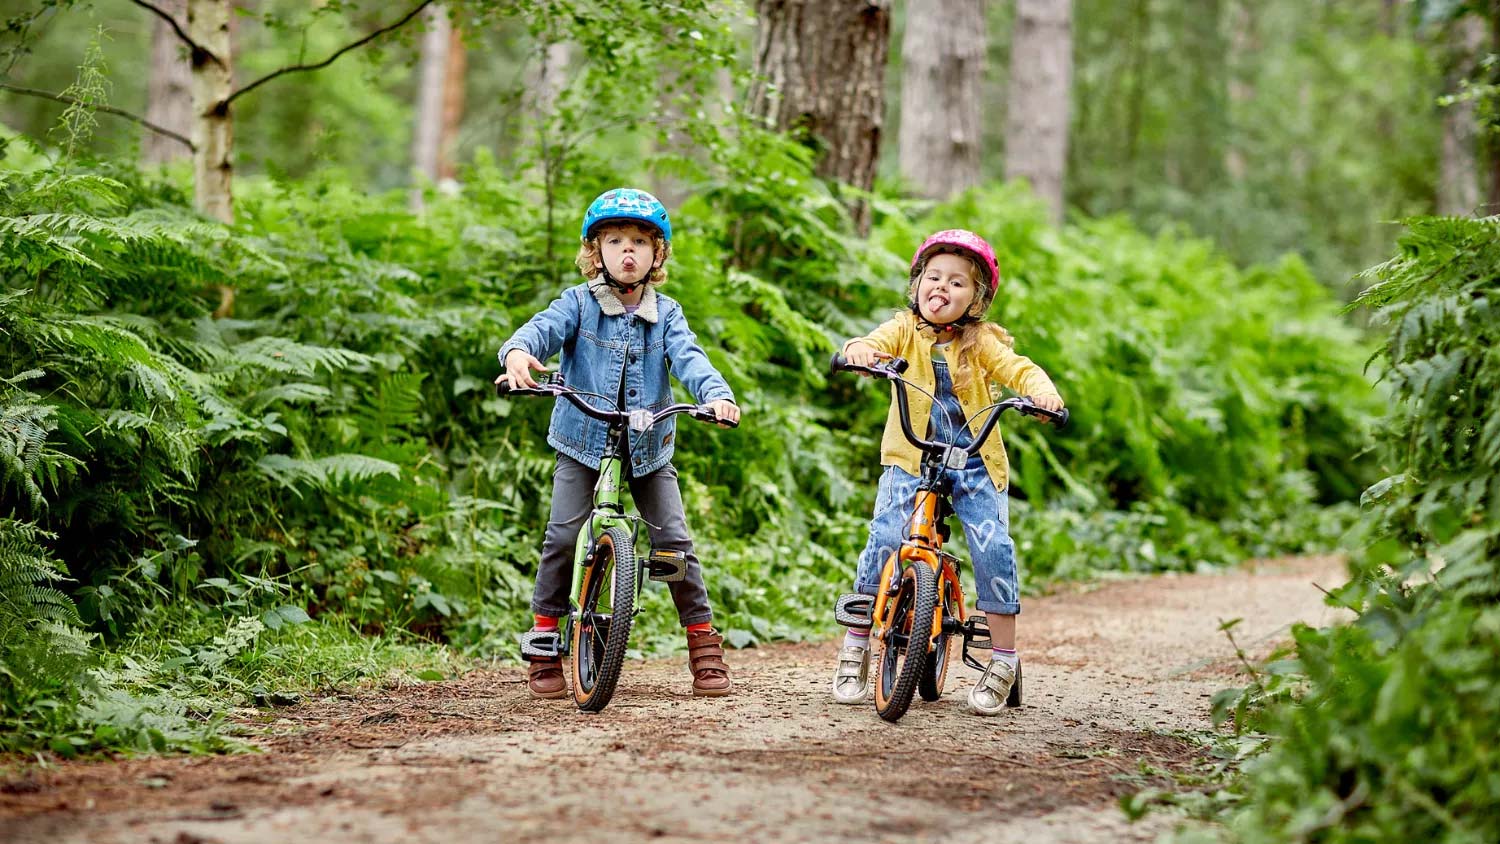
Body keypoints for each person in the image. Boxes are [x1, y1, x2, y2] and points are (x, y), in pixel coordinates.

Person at [497, 187, 740, 699]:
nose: (626, 252)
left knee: (674, 543)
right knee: (562, 537)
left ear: (657, 255)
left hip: (649, 446)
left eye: (638, 242)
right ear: (596, 252)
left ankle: (702, 644)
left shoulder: (667, 314)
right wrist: (518, 354)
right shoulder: (577, 304)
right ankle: (545, 642)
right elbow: (542, 330)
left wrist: (716, 396)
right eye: (614, 241)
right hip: (582, 440)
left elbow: (691, 359)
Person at [832, 229, 1065, 715]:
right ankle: (856, 647)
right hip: (911, 455)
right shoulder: (903, 330)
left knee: (993, 545)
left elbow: (1020, 370)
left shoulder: (983, 343)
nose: (942, 287)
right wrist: (860, 352)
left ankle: (1003, 659)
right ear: (916, 284)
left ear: (976, 298)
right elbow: (872, 342)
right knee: (883, 537)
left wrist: (1043, 394)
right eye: (933, 277)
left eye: (958, 283)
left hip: (976, 460)